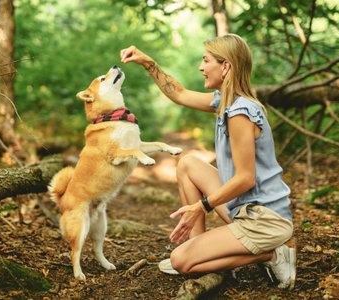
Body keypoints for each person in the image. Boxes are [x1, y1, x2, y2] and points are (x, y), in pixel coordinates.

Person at [120, 34, 296, 290]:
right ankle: (201, 251)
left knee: (180, 261)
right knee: (188, 164)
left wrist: (201, 206)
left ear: (225, 67)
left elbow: (245, 178)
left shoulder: (239, 113)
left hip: (265, 220)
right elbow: (178, 93)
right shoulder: (227, 102)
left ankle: (271, 254)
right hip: (246, 208)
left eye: (206, 61)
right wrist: (148, 62)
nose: (201, 67)